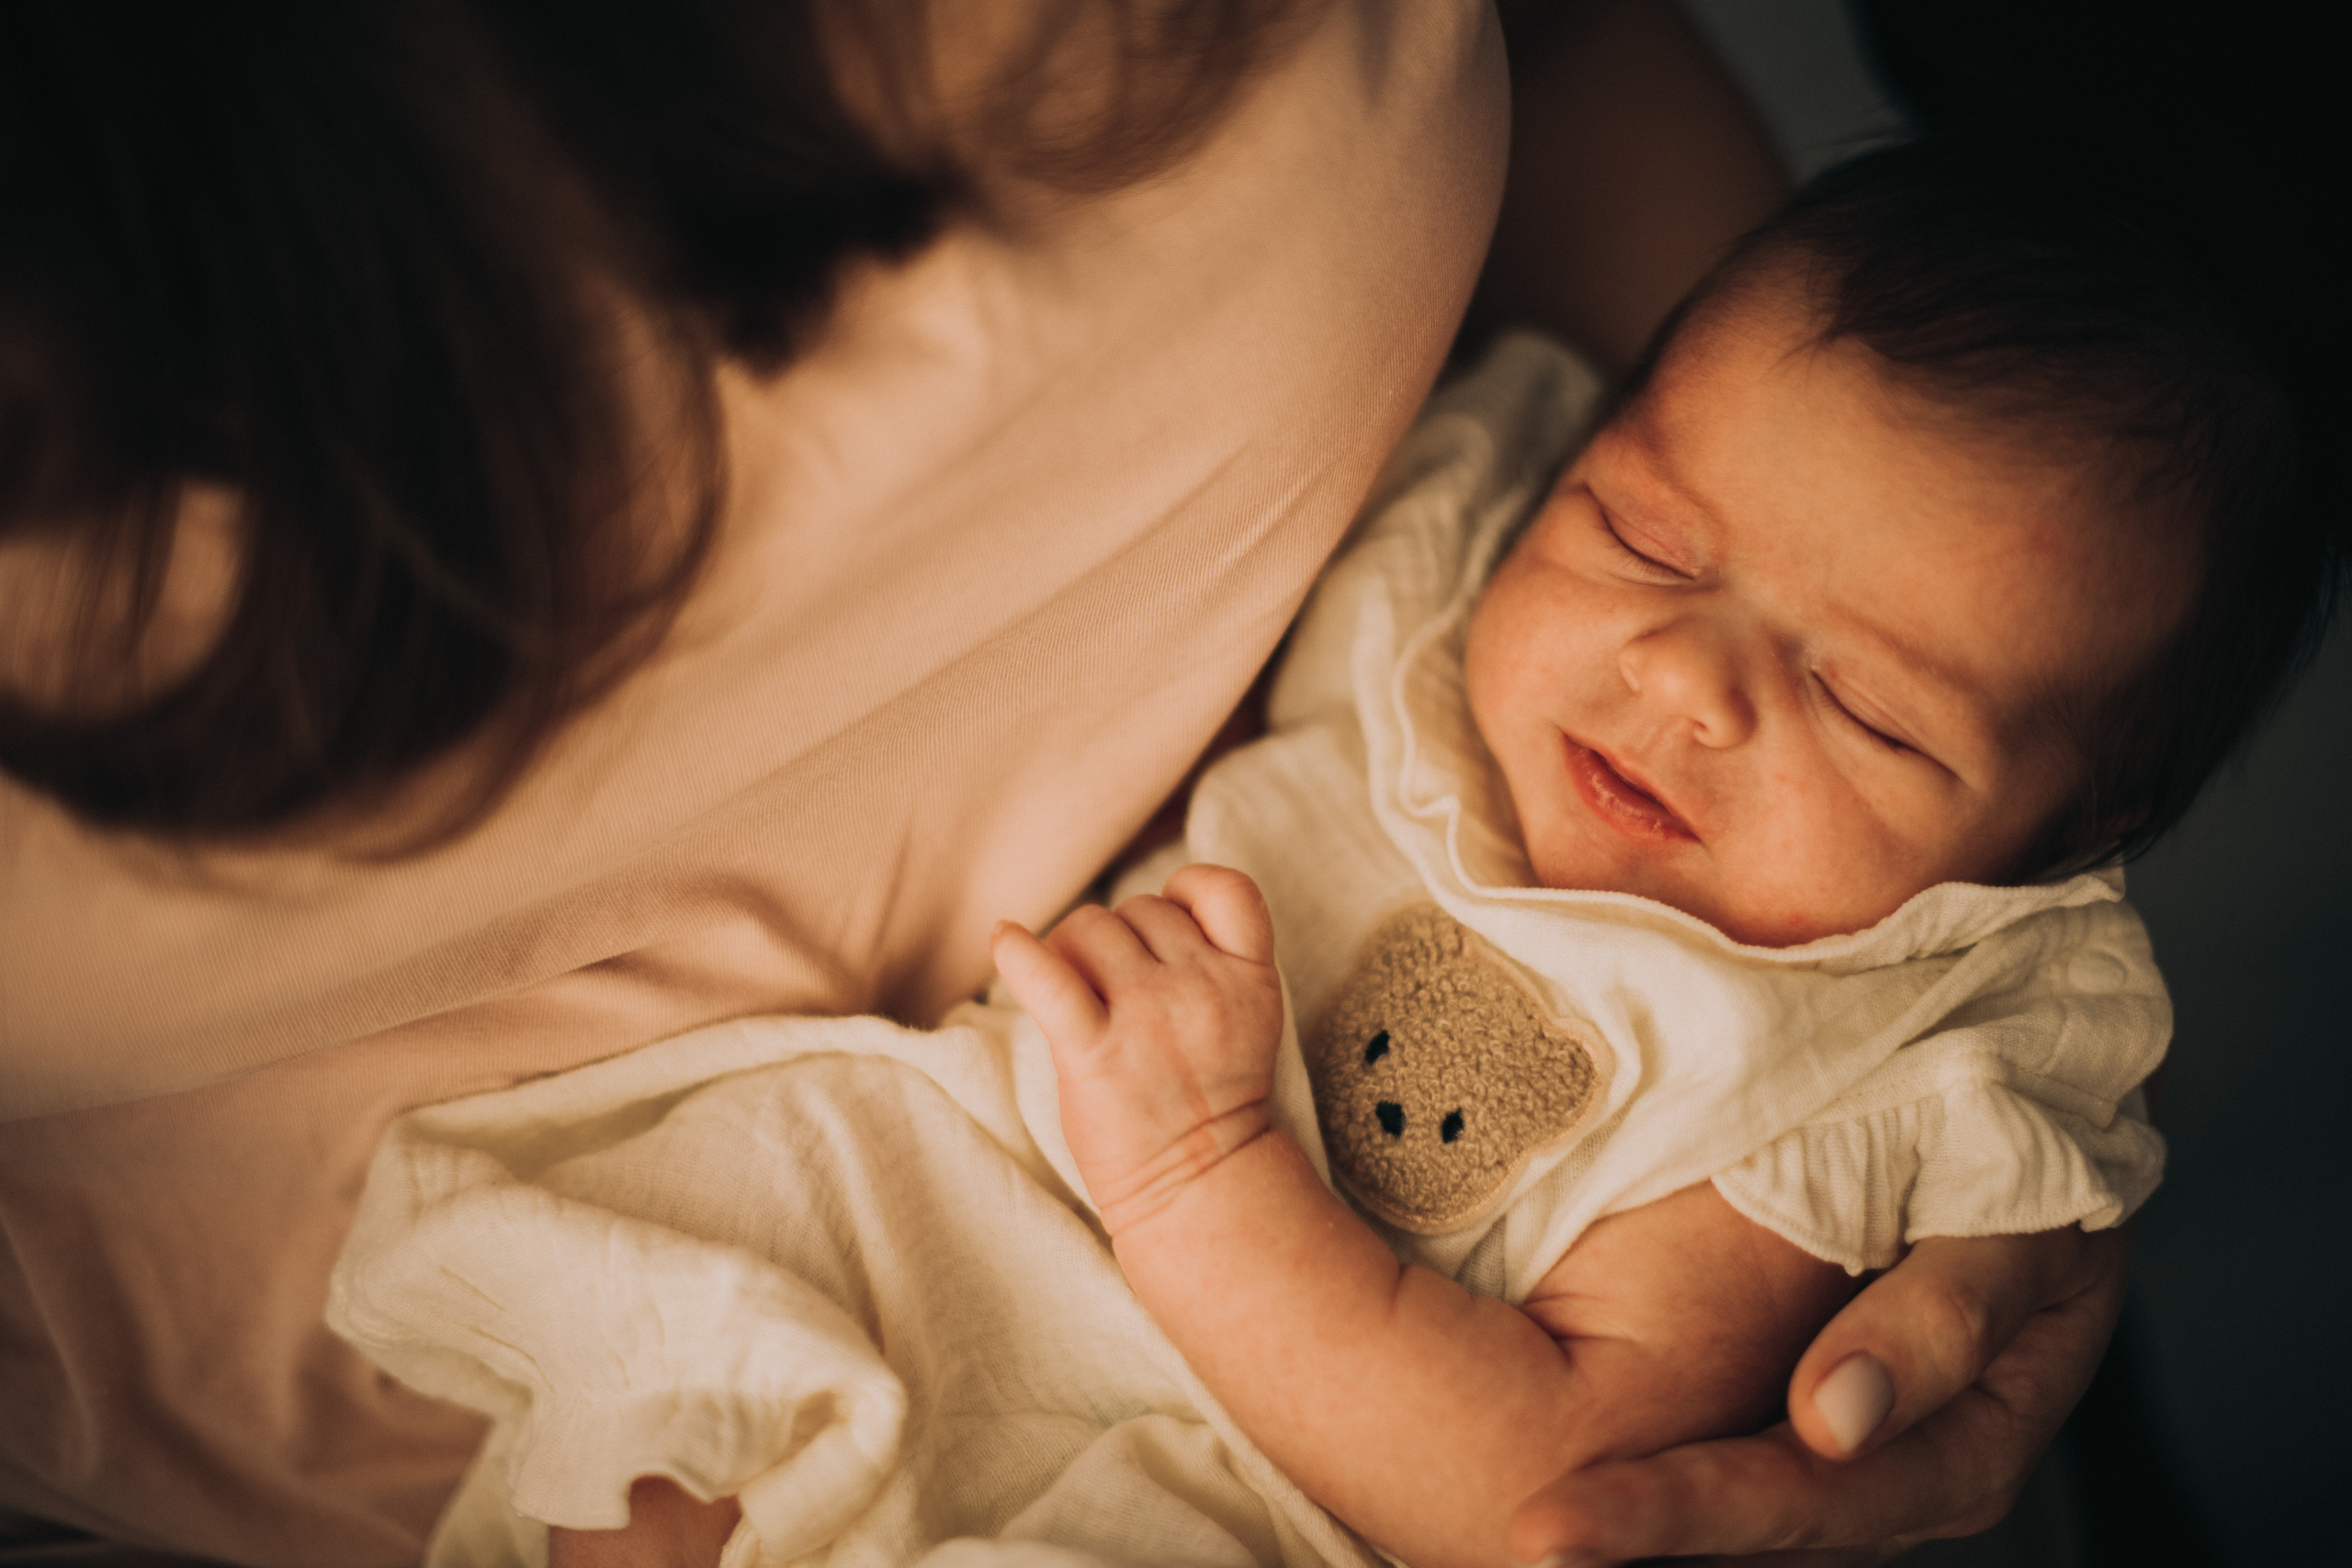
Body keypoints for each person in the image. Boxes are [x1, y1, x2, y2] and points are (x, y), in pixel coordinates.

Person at [0, 3, 2185, 1564]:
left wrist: (1214, 1167)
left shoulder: (1805, 1058)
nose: (1683, 678)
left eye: (1875, 713)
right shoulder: (1473, 564)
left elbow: (1547, 1492)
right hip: (653, 1315)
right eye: (1633, 535)